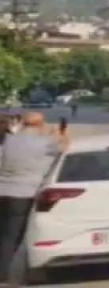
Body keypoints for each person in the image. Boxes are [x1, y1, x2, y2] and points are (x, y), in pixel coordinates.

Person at [0, 113, 63, 278]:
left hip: (2, 190)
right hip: (24, 193)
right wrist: (61, 134)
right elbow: (63, 150)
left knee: (4, 231)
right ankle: (2, 272)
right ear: (41, 124)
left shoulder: (9, 140)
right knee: (13, 234)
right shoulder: (46, 143)